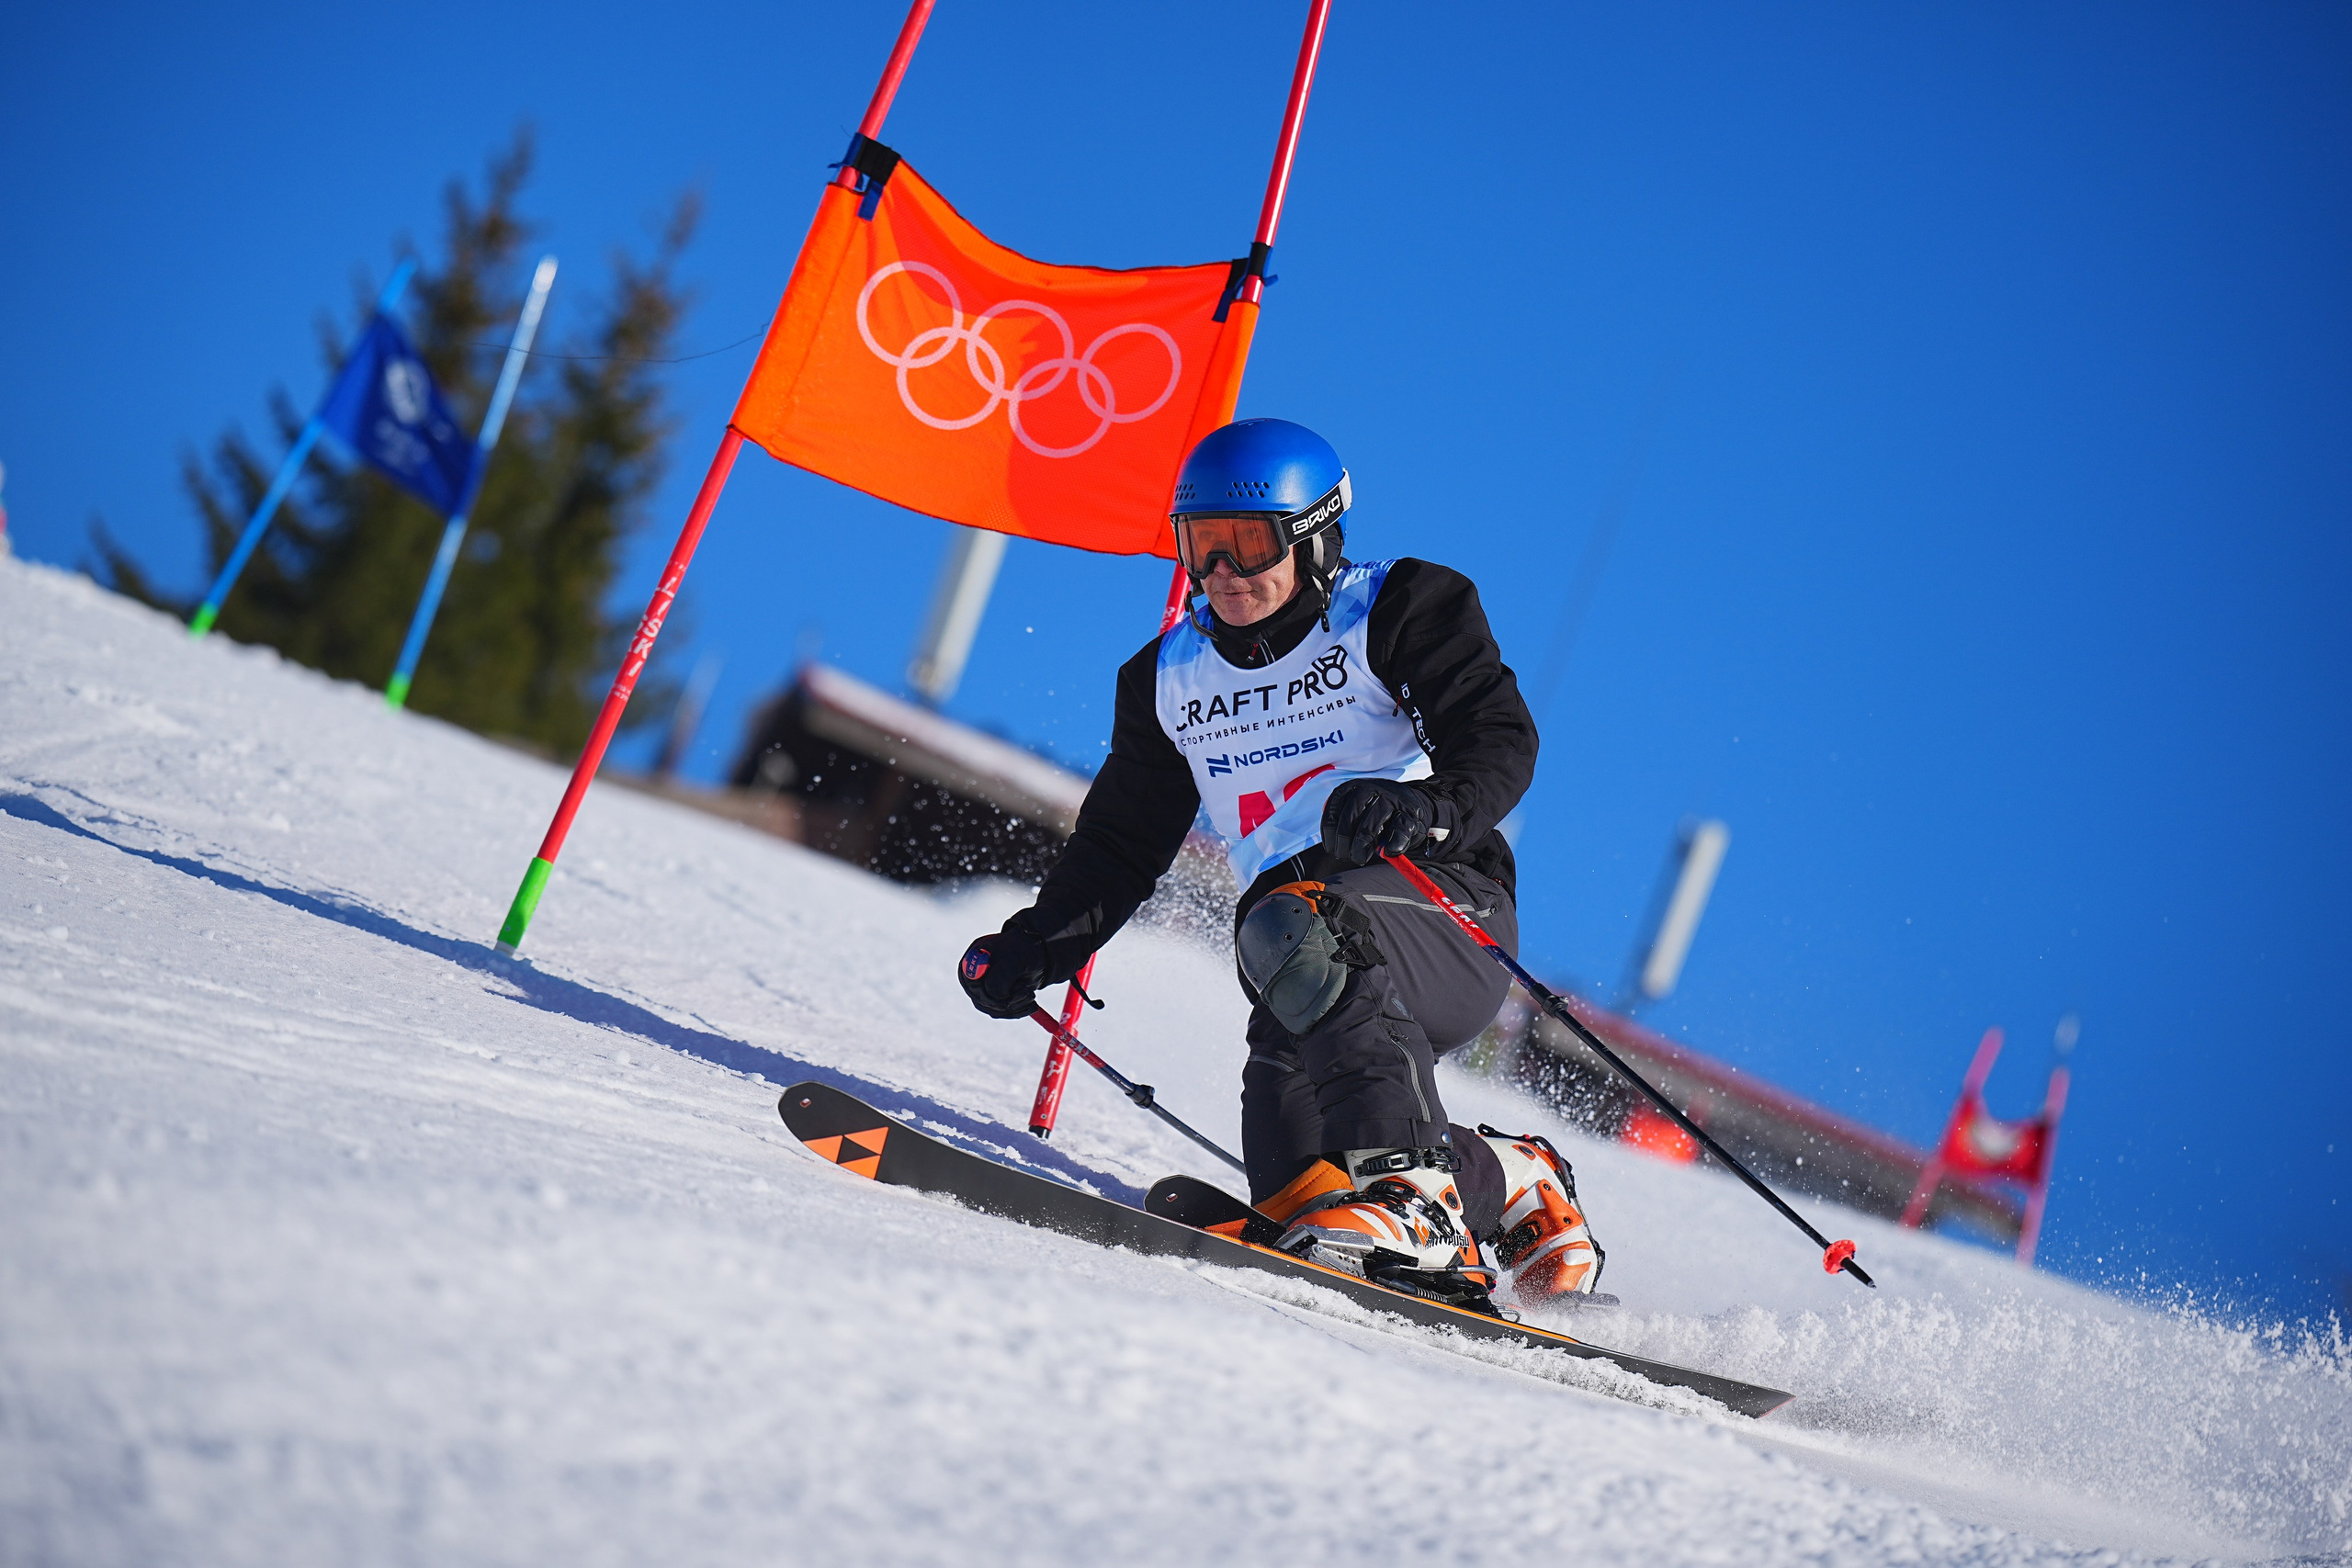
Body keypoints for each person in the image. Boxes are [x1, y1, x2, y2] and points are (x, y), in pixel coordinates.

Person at [956, 418, 1601, 1310]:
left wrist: (1424, 808)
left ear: (1315, 537)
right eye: (1201, 546)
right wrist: (1036, 948)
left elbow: (1497, 738)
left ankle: (1418, 1201)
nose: (1222, 574)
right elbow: (1118, 845)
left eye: (1248, 544)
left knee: (1295, 925)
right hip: (1303, 968)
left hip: (1446, 917)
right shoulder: (1167, 680)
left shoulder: (1398, 608)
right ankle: (1514, 1181)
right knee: (1303, 1188)